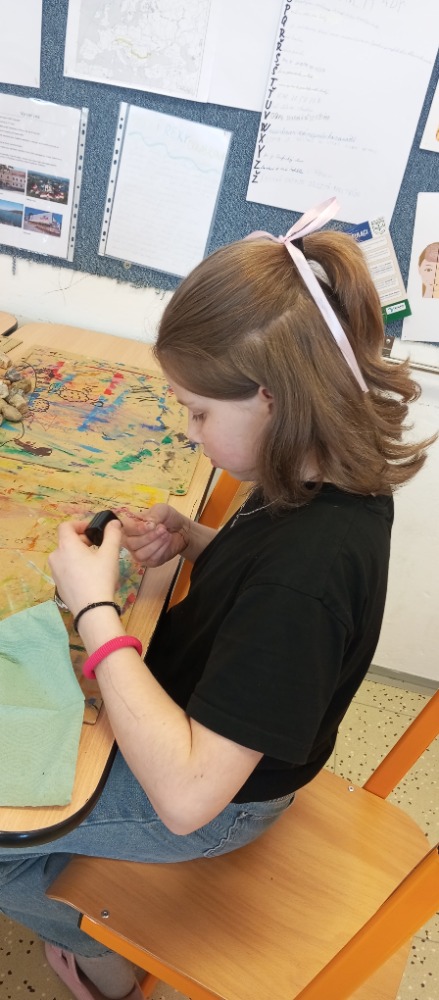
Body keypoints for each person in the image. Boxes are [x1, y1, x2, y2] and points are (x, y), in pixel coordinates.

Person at [0, 199, 433, 1000]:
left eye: (199, 412)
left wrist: (96, 610)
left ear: (272, 398)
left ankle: (104, 965)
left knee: (5, 849)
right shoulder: (319, 475)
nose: (191, 432)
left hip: (217, 800)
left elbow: (187, 799)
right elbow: (257, 577)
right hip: (204, 726)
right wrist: (192, 538)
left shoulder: (306, 578)